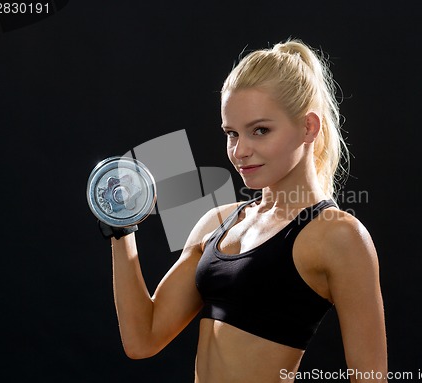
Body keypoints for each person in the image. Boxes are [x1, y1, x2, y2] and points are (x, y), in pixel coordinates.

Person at [104, 38, 388, 383]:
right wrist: (121, 226)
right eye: (231, 133)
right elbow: (142, 339)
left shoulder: (338, 236)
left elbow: (371, 378)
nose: (240, 151)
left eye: (260, 131)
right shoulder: (218, 222)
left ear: (308, 127)